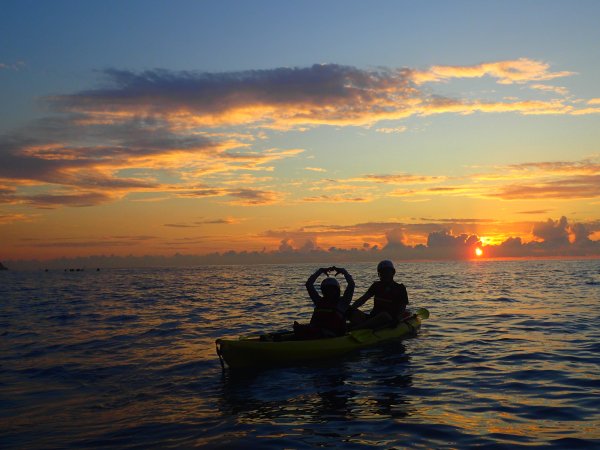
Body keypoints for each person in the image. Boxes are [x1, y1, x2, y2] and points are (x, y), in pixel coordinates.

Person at [293, 266, 355, 340]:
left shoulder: (343, 303)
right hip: (316, 333)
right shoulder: (319, 301)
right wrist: (320, 270)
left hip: (332, 336)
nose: (330, 292)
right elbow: (309, 284)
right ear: (323, 291)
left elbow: (351, 284)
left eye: (332, 290)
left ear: (337, 291)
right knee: (304, 328)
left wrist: (344, 272)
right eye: (327, 290)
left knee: (312, 330)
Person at [347, 260, 409, 330]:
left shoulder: (400, 288)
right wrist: (349, 309)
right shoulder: (376, 285)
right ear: (379, 274)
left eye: (387, 272)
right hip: (372, 318)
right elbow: (363, 299)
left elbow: (402, 307)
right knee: (348, 309)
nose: (385, 275)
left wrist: (397, 319)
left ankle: (354, 329)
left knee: (384, 315)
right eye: (382, 272)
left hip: (388, 319)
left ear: (393, 272)